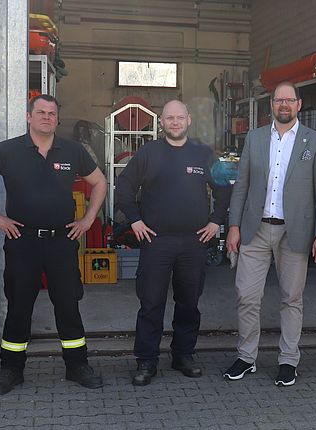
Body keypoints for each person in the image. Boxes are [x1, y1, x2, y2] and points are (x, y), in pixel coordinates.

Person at [0, 94, 108, 395]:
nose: (46, 117)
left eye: (52, 113)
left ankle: (77, 366)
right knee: (19, 306)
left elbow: (99, 182)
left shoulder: (72, 151)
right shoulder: (8, 150)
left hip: (62, 241)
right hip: (23, 241)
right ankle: (11, 370)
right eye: (40, 112)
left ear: (57, 118)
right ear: (29, 117)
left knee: (68, 305)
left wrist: (88, 219)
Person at [223, 81, 316, 386]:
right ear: (271, 105)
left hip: (294, 232)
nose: (283, 105)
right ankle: (246, 357)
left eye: (289, 100)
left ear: (299, 105)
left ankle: (288, 360)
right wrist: (233, 226)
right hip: (255, 230)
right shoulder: (255, 139)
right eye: (278, 100)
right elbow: (241, 185)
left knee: (291, 298)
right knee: (246, 296)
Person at [114, 100, 231, 386]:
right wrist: (135, 220)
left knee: (189, 303)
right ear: (161, 122)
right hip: (156, 242)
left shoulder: (203, 153)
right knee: (151, 303)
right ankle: (146, 360)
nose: (175, 122)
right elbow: (124, 186)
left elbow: (224, 188)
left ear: (189, 120)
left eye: (180, 117)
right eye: (170, 118)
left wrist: (216, 221)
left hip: (194, 242)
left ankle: (183, 355)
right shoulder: (149, 153)